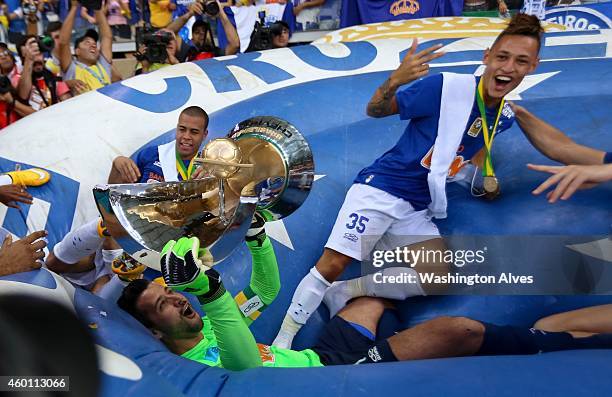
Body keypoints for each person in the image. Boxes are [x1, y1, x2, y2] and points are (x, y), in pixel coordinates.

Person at [272, 13, 609, 348]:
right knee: (334, 262)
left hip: (417, 206)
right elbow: (375, 110)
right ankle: (281, 341)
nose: (508, 67)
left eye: (521, 61)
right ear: (487, 57)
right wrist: (394, 81)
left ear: (532, 66)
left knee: (438, 277)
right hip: (381, 189)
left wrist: (482, 180)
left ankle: (344, 292)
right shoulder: (445, 88)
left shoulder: (503, 116)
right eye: (502, 57)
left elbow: (542, 147)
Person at [118, 232, 612, 369]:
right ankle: (574, 345)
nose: (179, 302)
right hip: (334, 377)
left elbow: (265, 292)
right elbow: (244, 367)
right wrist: (213, 293)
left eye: (172, 292)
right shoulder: (197, 364)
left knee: (367, 298)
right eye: (165, 304)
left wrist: (257, 234)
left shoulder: (206, 327)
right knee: (456, 330)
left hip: (322, 354)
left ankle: (394, 340)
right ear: (155, 332)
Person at [108, 105, 209, 183]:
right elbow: (116, 200)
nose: (186, 136)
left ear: (204, 135)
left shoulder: (208, 168)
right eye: (182, 129)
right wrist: (117, 165)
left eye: (194, 132)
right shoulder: (151, 154)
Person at [58, 0, 113, 92]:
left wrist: (97, 9)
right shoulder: (72, 68)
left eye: (95, 43)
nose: (93, 45)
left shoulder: (103, 64)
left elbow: (107, 37)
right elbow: (63, 42)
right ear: (77, 51)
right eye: (87, 42)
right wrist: (74, 7)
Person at [165, 0, 240, 59]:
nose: (201, 34)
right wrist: (189, 14)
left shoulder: (218, 55)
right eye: (197, 32)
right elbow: (168, 33)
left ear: (210, 35)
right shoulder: (186, 52)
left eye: (204, 31)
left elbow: (235, 44)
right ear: (192, 36)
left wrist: (221, 13)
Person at [15, 35, 71, 110]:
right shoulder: (16, 79)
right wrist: (29, 60)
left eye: (39, 53)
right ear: (22, 57)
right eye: (32, 54)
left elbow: (69, 105)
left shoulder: (53, 77)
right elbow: (23, 96)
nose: (37, 59)